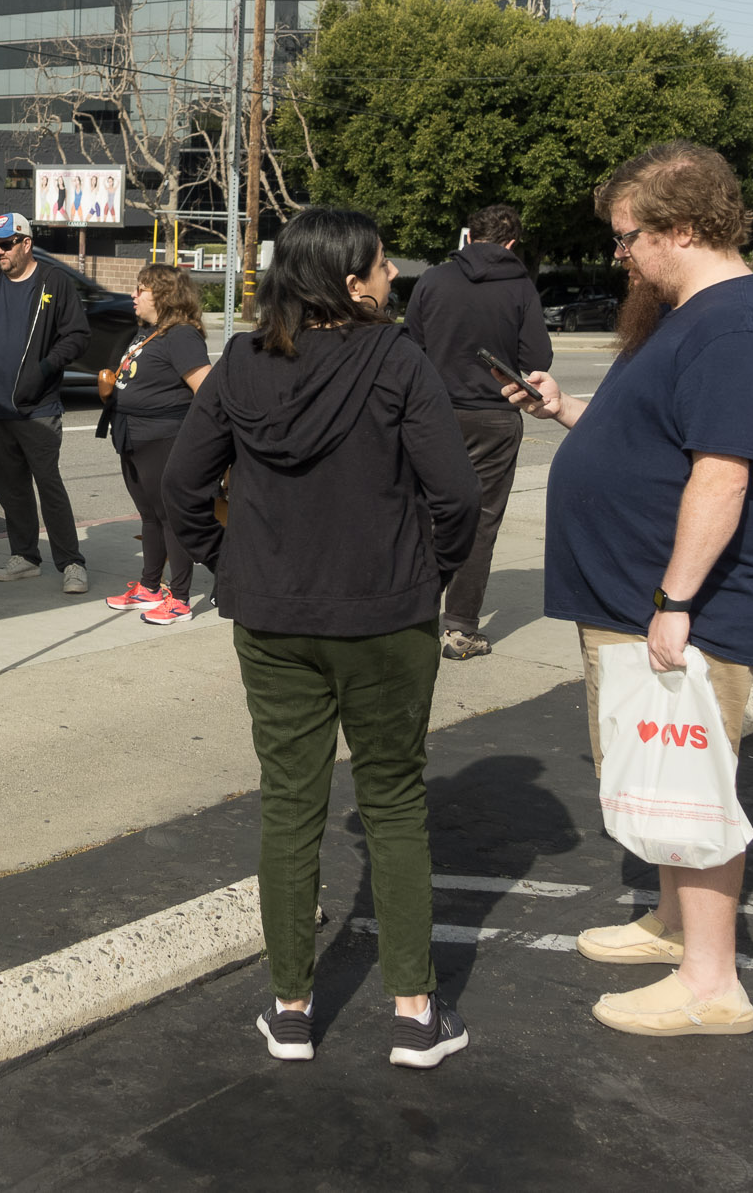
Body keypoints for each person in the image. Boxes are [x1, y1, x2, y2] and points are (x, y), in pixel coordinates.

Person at [165, 207, 481, 1068]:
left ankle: (292, 1007)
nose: (393, 279)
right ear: (350, 281)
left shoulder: (239, 364)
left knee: (290, 803)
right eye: (383, 267)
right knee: (395, 802)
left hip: (273, 618)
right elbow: (456, 496)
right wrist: (428, 571)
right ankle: (415, 1011)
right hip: (386, 615)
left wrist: (231, 562)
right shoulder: (400, 361)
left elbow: (182, 486)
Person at [502, 141, 753, 1038]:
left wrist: (675, 601)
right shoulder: (688, 317)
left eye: (628, 237)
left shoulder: (732, 327)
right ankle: (674, 927)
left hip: (674, 610)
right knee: (659, 781)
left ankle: (712, 983)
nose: (618, 255)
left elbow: (722, 475)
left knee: (693, 793)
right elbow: (657, 438)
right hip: (633, 598)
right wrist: (562, 410)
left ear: (678, 228)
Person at [403, 201, 553, 660]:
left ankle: (411, 616)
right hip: (493, 416)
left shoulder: (433, 279)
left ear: (469, 236)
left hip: (433, 414)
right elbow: (538, 358)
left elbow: (411, 345)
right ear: (511, 243)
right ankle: (461, 627)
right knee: (481, 520)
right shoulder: (520, 286)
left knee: (423, 513)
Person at [0, 212, 91, 593]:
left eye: (6, 244)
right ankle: (24, 555)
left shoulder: (53, 282)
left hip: (37, 408)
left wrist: (43, 368)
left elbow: (76, 335)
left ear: (27, 244)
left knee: (48, 484)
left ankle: (71, 562)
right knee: (9, 486)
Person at [95, 262, 211, 624]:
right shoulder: (149, 332)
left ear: (163, 295)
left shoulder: (181, 336)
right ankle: (149, 587)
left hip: (164, 437)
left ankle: (179, 598)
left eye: (141, 289)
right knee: (148, 516)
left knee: (170, 517)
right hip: (132, 436)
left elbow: (207, 391)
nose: (134, 294)